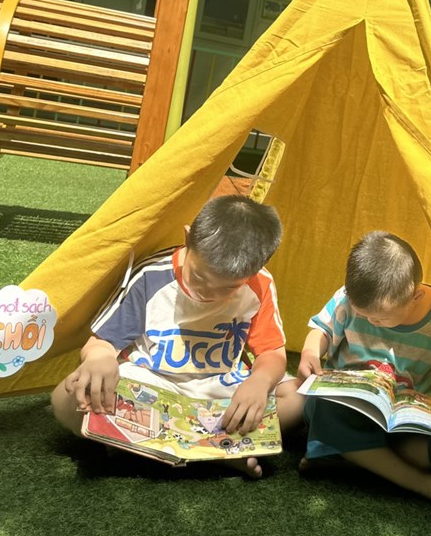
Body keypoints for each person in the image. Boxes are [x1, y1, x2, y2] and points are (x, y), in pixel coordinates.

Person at [50, 194, 304, 478]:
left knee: (298, 398)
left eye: (227, 288)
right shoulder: (152, 276)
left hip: (220, 392)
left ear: (256, 269)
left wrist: (259, 382)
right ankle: (217, 452)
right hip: (152, 387)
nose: (208, 293)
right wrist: (100, 357)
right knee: (66, 398)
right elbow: (102, 342)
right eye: (199, 277)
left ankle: (146, 450)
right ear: (187, 238)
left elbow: (272, 353)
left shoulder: (260, 284)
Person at [295, 231, 431, 512]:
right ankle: (419, 483)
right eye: (364, 314)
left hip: (404, 427)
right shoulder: (348, 298)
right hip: (348, 412)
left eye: (380, 317)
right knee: (324, 408)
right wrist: (311, 352)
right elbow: (322, 330)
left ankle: (352, 456)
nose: (371, 321)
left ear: (415, 296)